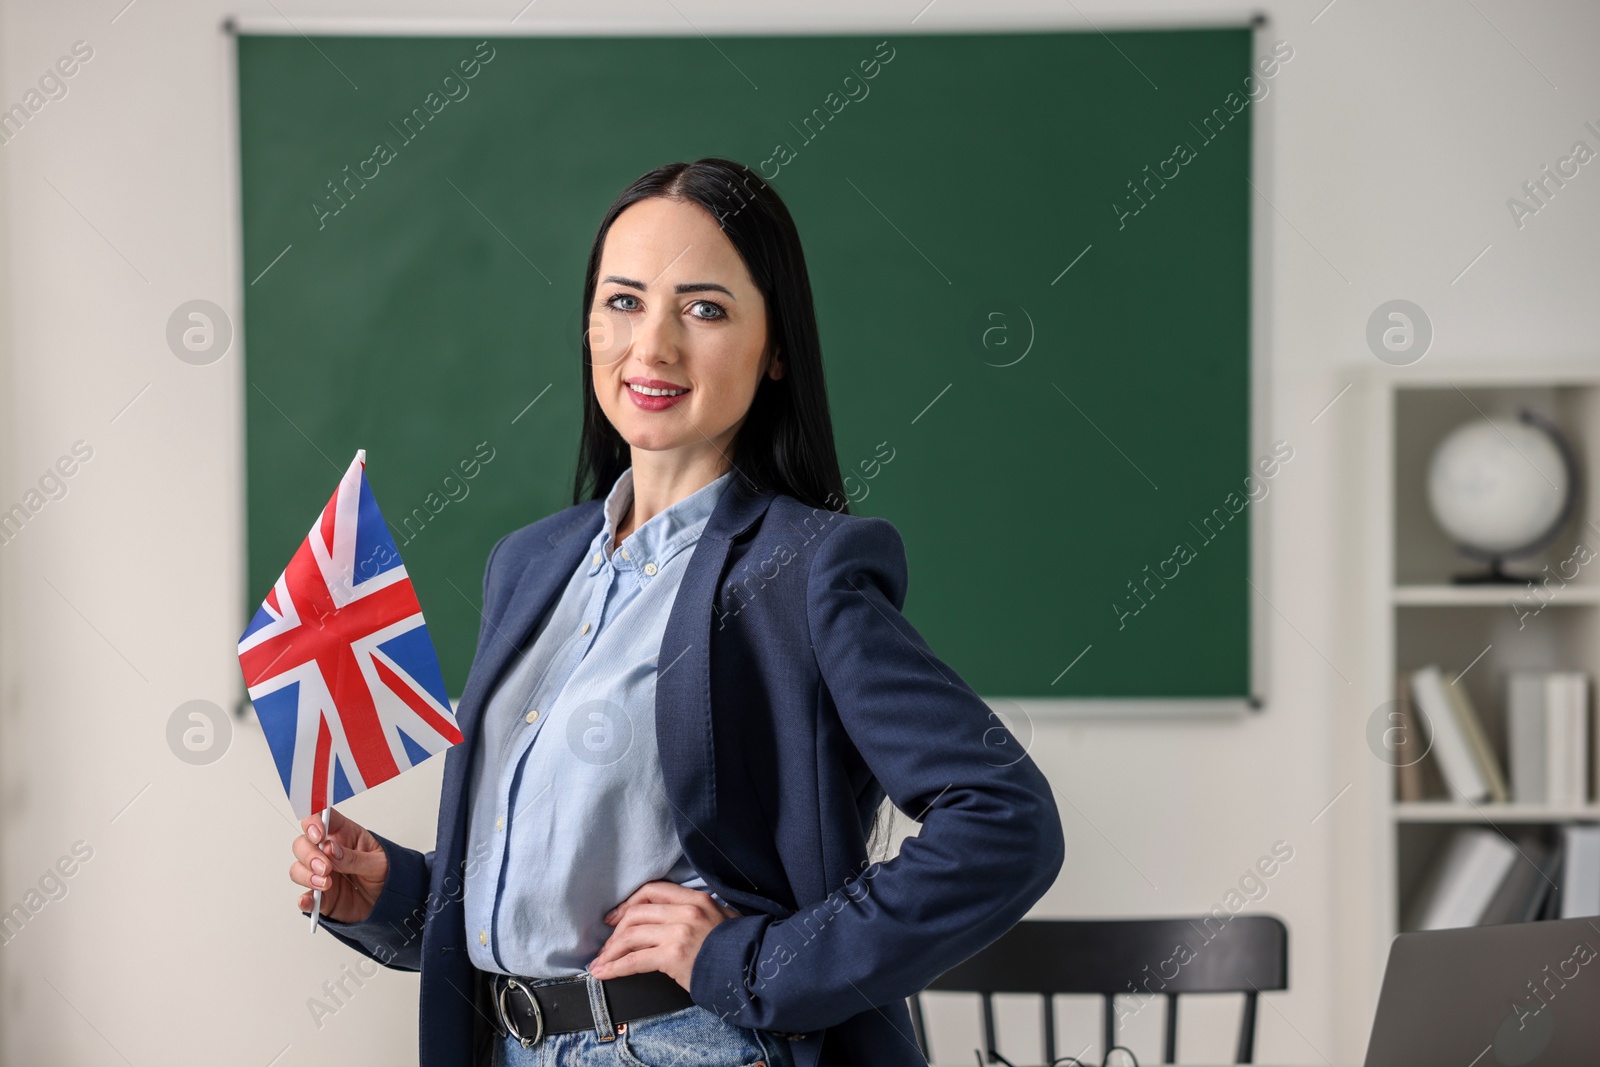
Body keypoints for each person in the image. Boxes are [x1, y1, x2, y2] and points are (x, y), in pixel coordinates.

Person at [286, 157, 1064, 1067]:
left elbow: (1006, 820)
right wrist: (389, 895)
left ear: (776, 347)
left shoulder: (805, 569)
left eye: (704, 308)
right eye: (623, 302)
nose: (651, 348)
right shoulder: (531, 563)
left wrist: (754, 960)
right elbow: (556, 913)